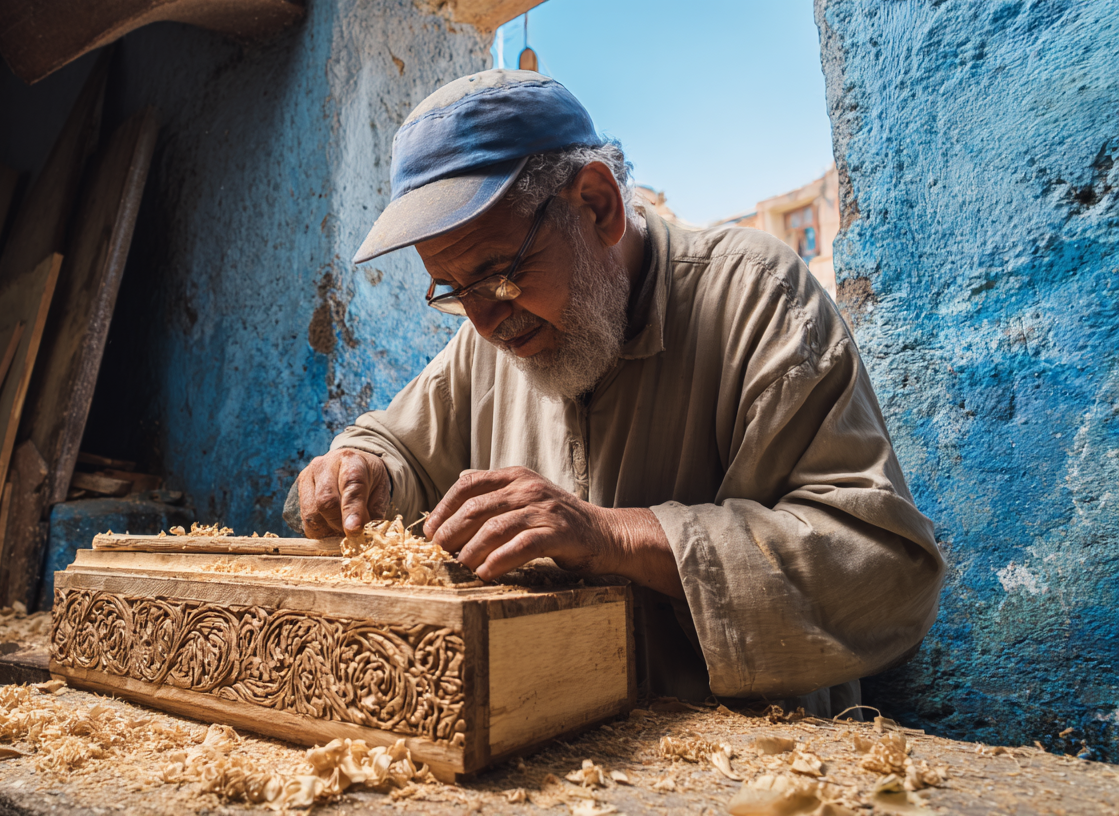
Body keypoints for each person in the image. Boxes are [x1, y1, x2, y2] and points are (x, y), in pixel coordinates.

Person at [284, 69, 944, 713]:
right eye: (456, 292)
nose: (487, 323)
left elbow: (885, 577)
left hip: (750, 763)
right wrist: (361, 472)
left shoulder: (755, 294)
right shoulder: (487, 342)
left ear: (596, 205)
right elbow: (396, 446)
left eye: (500, 276)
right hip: (544, 736)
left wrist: (613, 535)